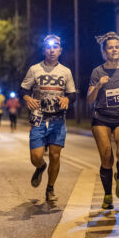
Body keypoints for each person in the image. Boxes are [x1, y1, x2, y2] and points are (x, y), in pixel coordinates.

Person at [20, 34, 77, 202]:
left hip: (57, 119)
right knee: (36, 157)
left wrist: (67, 99)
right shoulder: (34, 69)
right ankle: (40, 167)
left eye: (55, 47)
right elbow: (23, 89)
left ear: (60, 50)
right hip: (38, 118)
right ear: (44, 50)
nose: (52, 50)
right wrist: (28, 98)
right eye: (48, 47)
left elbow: (72, 94)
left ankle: (50, 188)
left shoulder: (66, 71)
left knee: (55, 155)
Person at [87, 32, 119, 209]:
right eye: (110, 47)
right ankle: (108, 194)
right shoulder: (97, 72)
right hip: (101, 118)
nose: (114, 49)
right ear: (104, 52)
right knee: (107, 158)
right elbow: (89, 99)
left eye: (117, 47)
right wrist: (99, 85)